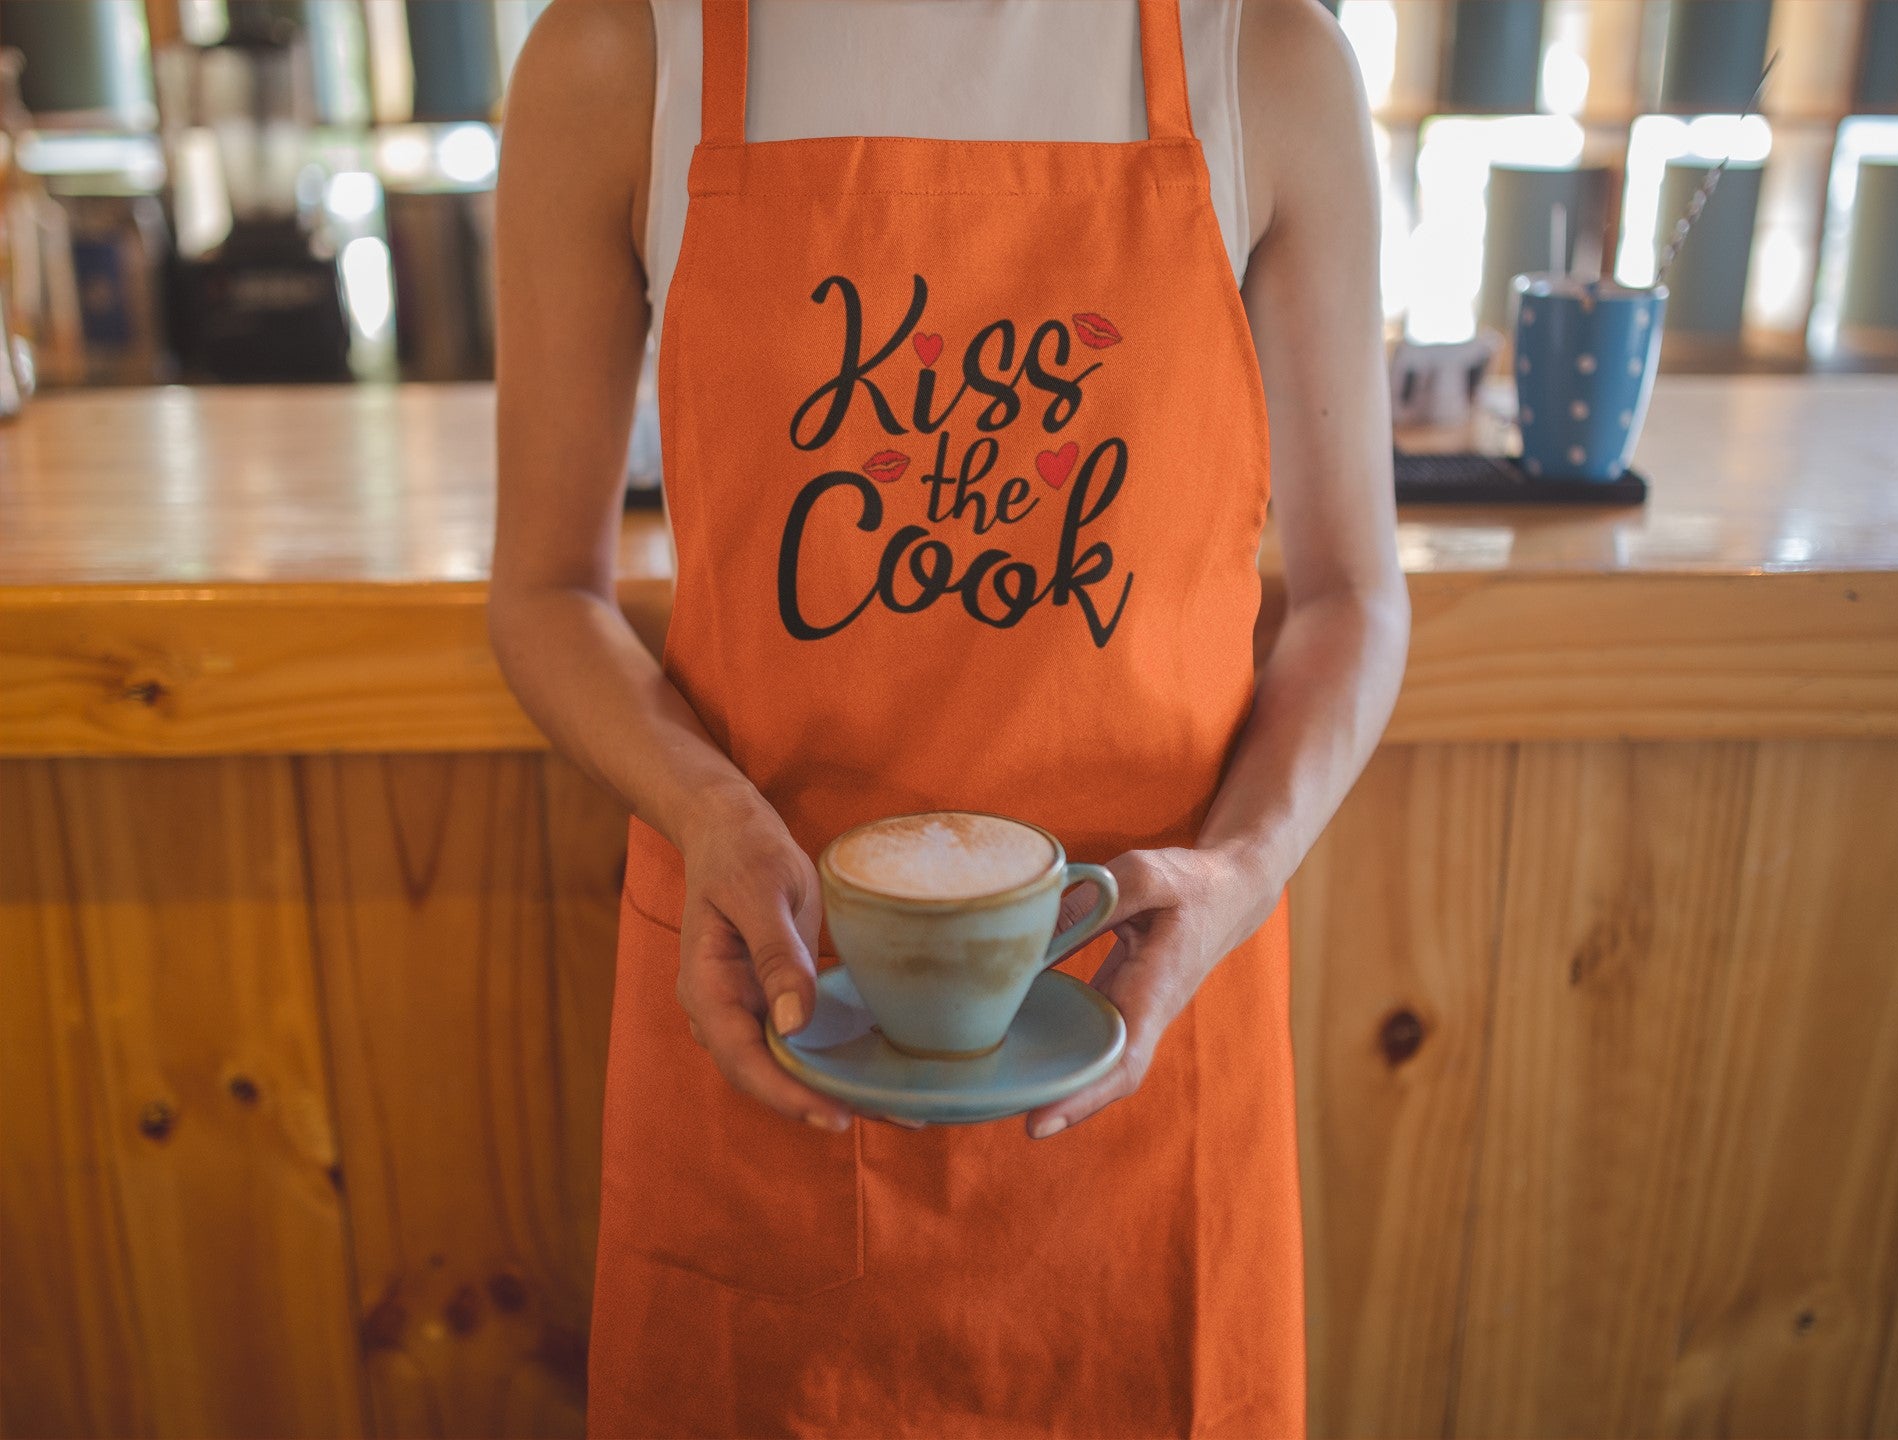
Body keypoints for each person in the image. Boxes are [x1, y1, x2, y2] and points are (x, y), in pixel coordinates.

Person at [490, 1, 1408, 1433]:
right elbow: (546, 592)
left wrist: (1238, 871)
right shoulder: (620, 56)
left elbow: (1353, 599)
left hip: (1145, 1039)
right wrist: (704, 809)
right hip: (771, 1014)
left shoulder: (1262, 56)